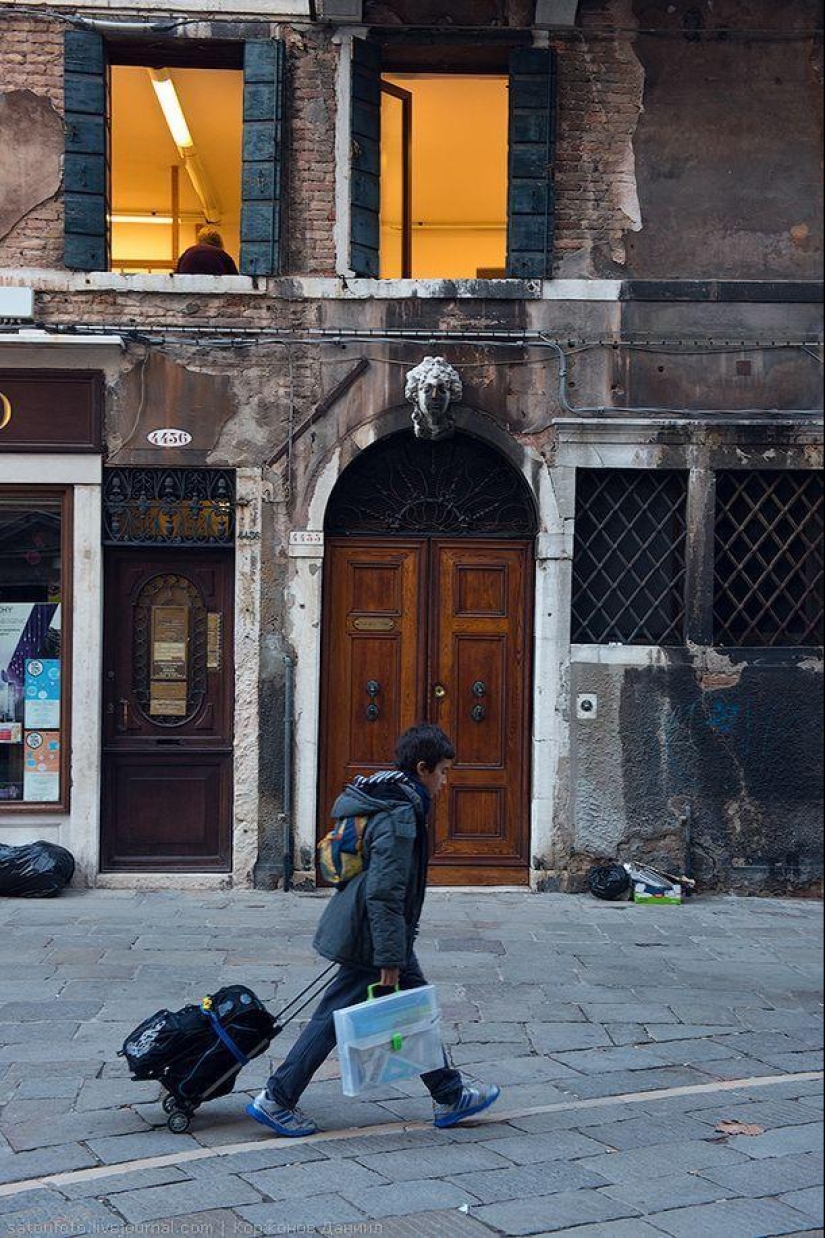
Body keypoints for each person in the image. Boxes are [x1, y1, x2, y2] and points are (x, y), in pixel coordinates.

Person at [246, 723, 501, 1137]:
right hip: (373, 934)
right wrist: (389, 957)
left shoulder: (395, 797)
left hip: (377, 930)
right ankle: (277, 1097)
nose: (445, 781)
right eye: (442, 772)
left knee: (414, 1010)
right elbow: (384, 892)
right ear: (422, 769)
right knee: (334, 1018)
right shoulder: (400, 814)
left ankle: (449, 1094)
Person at [174, 225, 239, 275]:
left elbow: (175, 278)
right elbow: (235, 281)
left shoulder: (187, 253)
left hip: (189, 289)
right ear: (219, 242)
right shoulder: (222, 255)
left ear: (199, 240)